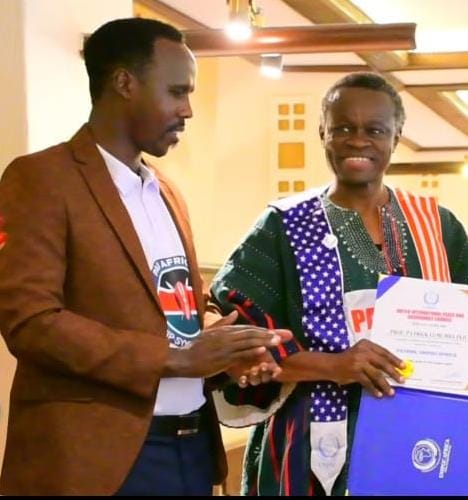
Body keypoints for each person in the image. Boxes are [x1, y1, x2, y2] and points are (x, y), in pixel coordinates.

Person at [208, 72, 468, 496]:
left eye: (375, 130)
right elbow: (237, 339)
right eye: (343, 128)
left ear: (396, 137)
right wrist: (334, 366)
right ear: (323, 133)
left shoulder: (435, 225)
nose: (358, 141)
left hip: (423, 440)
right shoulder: (284, 225)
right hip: (307, 450)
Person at [0, 18, 289, 496]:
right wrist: (175, 358)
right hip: (97, 459)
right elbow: (30, 322)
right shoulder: (42, 179)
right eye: (177, 92)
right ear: (124, 83)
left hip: (191, 447)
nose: (188, 110)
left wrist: (227, 349)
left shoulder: (166, 191)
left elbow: (179, 308)